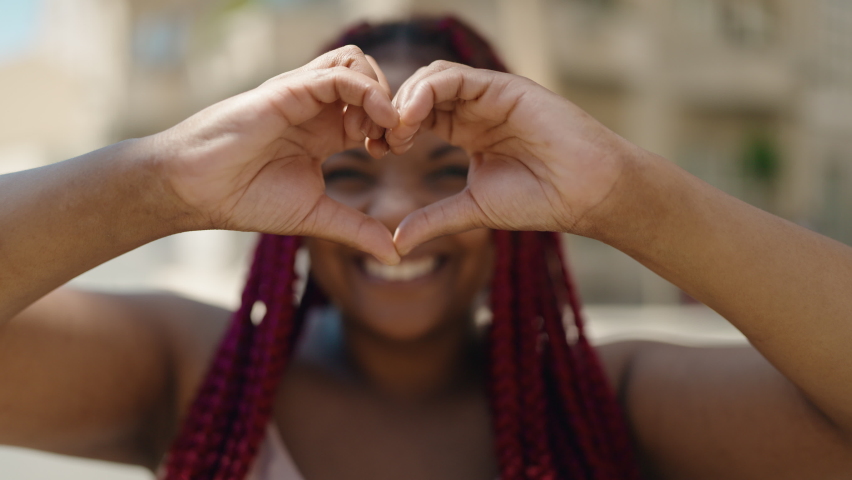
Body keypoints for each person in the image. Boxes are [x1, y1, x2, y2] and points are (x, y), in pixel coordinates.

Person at [1, 15, 851, 480]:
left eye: (449, 173)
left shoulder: (605, 397)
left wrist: (630, 195)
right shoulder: (189, 369)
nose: (400, 212)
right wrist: (160, 180)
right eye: (348, 175)